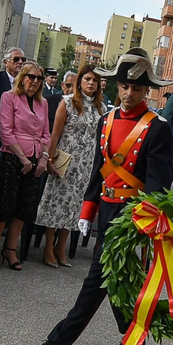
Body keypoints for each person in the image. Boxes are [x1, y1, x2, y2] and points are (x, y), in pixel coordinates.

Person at [28, 49, 173, 345]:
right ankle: (133, 340)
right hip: (107, 207)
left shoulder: (157, 127)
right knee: (115, 277)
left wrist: (144, 220)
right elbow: (99, 170)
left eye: (136, 88)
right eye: (124, 86)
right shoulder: (106, 119)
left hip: (132, 215)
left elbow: (157, 184)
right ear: (116, 86)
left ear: (147, 89)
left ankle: (56, 344)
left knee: (97, 277)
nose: (129, 93)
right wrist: (87, 211)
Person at [37, 64, 104, 268]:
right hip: (65, 159)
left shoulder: (99, 107)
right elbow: (54, 134)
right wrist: (49, 160)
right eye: (87, 79)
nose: (91, 83)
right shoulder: (67, 102)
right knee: (56, 203)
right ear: (79, 82)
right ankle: (48, 246)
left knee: (75, 206)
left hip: (86, 163)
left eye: (94, 80)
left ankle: (61, 247)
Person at [0, 60, 52, 271]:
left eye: (39, 78)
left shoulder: (43, 103)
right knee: (5, 204)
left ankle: (10, 249)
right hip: (13, 157)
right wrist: (23, 158)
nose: (34, 81)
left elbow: (46, 134)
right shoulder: (9, 97)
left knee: (24, 207)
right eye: (30, 76)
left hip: (36, 160)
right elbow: (5, 131)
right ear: (22, 77)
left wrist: (43, 158)